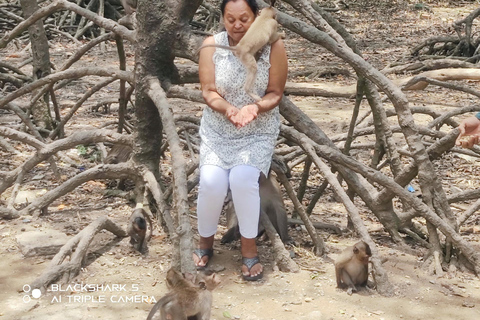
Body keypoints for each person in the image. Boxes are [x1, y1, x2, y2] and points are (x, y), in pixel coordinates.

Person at [193, 0, 287, 281]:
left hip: (257, 131)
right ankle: (204, 243)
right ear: (222, 18)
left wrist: (255, 107)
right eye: (230, 19)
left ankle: (249, 248)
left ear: (256, 17)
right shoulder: (212, 45)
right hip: (218, 130)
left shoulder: (273, 45)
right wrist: (228, 108)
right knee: (211, 182)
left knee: (243, 179)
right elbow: (208, 90)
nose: (237, 25)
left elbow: (275, 92)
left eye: (244, 19)